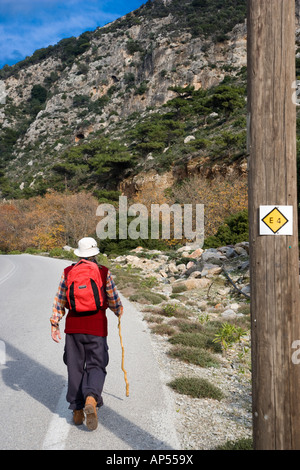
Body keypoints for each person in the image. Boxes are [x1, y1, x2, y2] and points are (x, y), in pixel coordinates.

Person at [50, 237, 123, 430]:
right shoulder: (103, 272)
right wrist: (118, 311)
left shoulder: (68, 272)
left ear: (79, 254)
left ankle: (76, 409)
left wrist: (55, 323)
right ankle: (91, 397)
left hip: (73, 329)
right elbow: (113, 298)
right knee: (97, 365)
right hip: (97, 328)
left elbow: (60, 299)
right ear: (95, 254)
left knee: (75, 367)